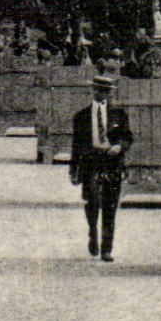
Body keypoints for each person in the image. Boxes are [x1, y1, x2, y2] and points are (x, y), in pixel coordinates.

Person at [69, 74, 133, 261]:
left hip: (112, 163)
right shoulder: (81, 117)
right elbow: (76, 146)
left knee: (110, 205)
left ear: (109, 93)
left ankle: (107, 248)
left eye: (105, 90)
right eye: (98, 89)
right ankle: (93, 234)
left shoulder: (119, 115)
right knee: (93, 201)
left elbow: (127, 137)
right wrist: (73, 171)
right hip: (91, 162)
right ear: (92, 90)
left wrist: (119, 146)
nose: (101, 93)